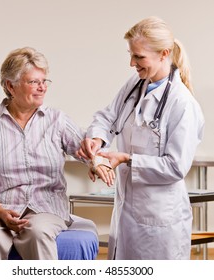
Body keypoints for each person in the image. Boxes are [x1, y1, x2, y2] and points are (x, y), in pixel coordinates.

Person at [0, 47, 114, 260]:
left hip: (45, 207)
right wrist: (0, 212)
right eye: (34, 82)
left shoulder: (56, 120)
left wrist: (96, 161)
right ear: (10, 86)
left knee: (37, 233)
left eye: (44, 81)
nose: (42, 87)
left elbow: (87, 150)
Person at [77, 16, 205, 260]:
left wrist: (126, 158)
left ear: (164, 53)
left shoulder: (183, 104)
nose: (131, 63)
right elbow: (107, 117)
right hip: (127, 210)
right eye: (131, 54)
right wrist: (97, 140)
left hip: (159, 219)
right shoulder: (135, 85)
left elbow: (175, 167)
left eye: (139, 57)